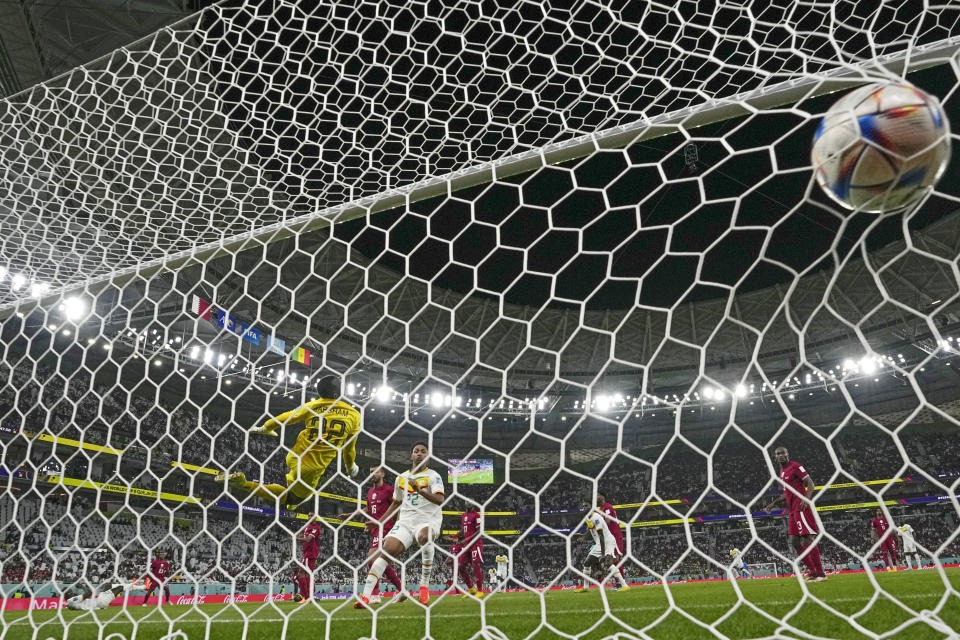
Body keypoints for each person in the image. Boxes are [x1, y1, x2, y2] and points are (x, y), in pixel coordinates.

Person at [219, 375, 361, 508]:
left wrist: (265, 427)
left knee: (305, 435)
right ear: (336, 394)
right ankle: (243, 484)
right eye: (341, 387)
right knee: (291, 499)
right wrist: (350, 467)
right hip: (311, 469)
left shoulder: (312, 406)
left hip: (295, 455)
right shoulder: (354, 415)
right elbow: (349, 449)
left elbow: (287, 417)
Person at [355, 443, 444, 609]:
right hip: (406, 521)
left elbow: (440, 500)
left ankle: (424, 585)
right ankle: (365, 596)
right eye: (416, 451)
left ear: (428, 456)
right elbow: (396, 503)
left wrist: (420, 490)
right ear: (411, 456)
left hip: (428, 519)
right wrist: (379, 521)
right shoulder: (401, 478)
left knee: (424, 536)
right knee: (386, 548)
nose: (419, 454)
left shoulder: (434, 476)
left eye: (423, 452)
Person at [337, 467, 404, 603]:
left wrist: (397, 523)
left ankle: (374, 594)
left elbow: (398, 505)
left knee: (372, 558)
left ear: (383, 474)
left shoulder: (389, 490)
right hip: (375, 530)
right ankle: (401, 590)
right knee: (379, 561)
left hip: (385, 527)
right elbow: (368, 508)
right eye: (370, 471)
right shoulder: (370, 491)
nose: (372, 473)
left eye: (376, 471)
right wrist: (350, 515)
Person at [763, 446, 826, 582]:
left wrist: (806, 499)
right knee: (794, 542)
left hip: (801, 506)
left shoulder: (795, 466)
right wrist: (773, 504)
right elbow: (786, 493)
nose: (780, 456)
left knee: (807, 538)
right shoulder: (781, 472)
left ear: (787, 454)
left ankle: (821, 574)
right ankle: (813, 572)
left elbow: (811, 483)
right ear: (775, 457)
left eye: (782, 453)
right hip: (792, 510)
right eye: (777, 454)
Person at [575, 500, 630, 593]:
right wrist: (583, 537)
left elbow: (601, 536)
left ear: (592, 507)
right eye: (583, 506)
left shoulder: (596, 518)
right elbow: (590, 528)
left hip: (607, 541)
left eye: (586, 506)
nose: (584, 508)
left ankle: (624, 585)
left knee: (608, 563)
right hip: (599, 544)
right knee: (587, 563)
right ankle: (585, 588)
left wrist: (603, 554)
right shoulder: (587, 517)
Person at [597, 490, 627, 581]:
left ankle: (621, 583)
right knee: (611, 559)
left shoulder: (607, 507)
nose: (595, 497)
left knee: (616, 559)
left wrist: (597, 528)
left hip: (614, 536)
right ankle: (619, 583)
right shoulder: (600, 509)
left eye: (597, 495)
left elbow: (607, 521)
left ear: (602, 497)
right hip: (608, 537)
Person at [293, 514, 323, 602]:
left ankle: (306, 596)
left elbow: (308, 539)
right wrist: (297, 539)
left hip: (310, 553)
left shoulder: (316, 527)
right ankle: (308, 596)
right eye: (308, 516)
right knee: (306, 574)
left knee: (301, 573)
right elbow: (304, 539)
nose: (309, 517)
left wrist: (296, 538)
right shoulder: (307, 527)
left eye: (311, 516)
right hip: (306, 553)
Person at [64, 580, 145, 611]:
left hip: (99, 602)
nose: (73, 593)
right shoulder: (71, 600)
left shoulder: (69, 604)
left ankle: (134, 584)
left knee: (108, 586)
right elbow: (89, 593)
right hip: (100, 602)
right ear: (68, 594)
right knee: (120, 587)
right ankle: (143, 586)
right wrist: (82, 586)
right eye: (71, 592)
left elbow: (88, 594)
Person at [460, 504, 484, 597]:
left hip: (475, 543)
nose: (467, 503)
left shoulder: (477, 515)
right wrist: (455, 535)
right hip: (467, 545)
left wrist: (467, 539)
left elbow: (479, 531)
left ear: (473, 505)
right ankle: (471, 589)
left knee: (475, 565)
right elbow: (464, 529)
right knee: (460, 566)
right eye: (465, 501)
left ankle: (480, 591)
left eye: (469, 502)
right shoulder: (463, 515)